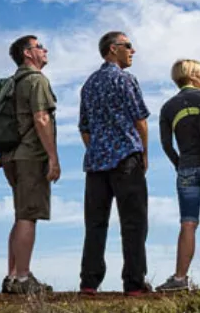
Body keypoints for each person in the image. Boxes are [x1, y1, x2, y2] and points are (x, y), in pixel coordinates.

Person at [78, 31, 152, 296]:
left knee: (95, 223)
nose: (133, 51)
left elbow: (84, 127)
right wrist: (143, 153)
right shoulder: (125, 79)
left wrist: (98, 148)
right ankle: (134, 282)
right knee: (133, 221)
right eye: (128, 46)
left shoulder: (88, 84)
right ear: (113, 49)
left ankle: (89, 281)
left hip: (96, 162)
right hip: (125, 158)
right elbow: (140, 119)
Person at [154, 59, 200, 292]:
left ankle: (180, 278)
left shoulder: (168, 107)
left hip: (187, 167)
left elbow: (166, 144)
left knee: (188, 223)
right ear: (193, 75)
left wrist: (180, 164)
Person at [0, 35, 58, 295]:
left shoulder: (12, 82)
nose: (44, 50)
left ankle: (13, 275)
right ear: (27, 53)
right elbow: (42, 118)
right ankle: (23, 278)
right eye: (39, 47)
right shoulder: (36, 80)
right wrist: (53, 157)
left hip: (10, 155)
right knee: (28, 215)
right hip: (30, 155)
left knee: (20, 214)